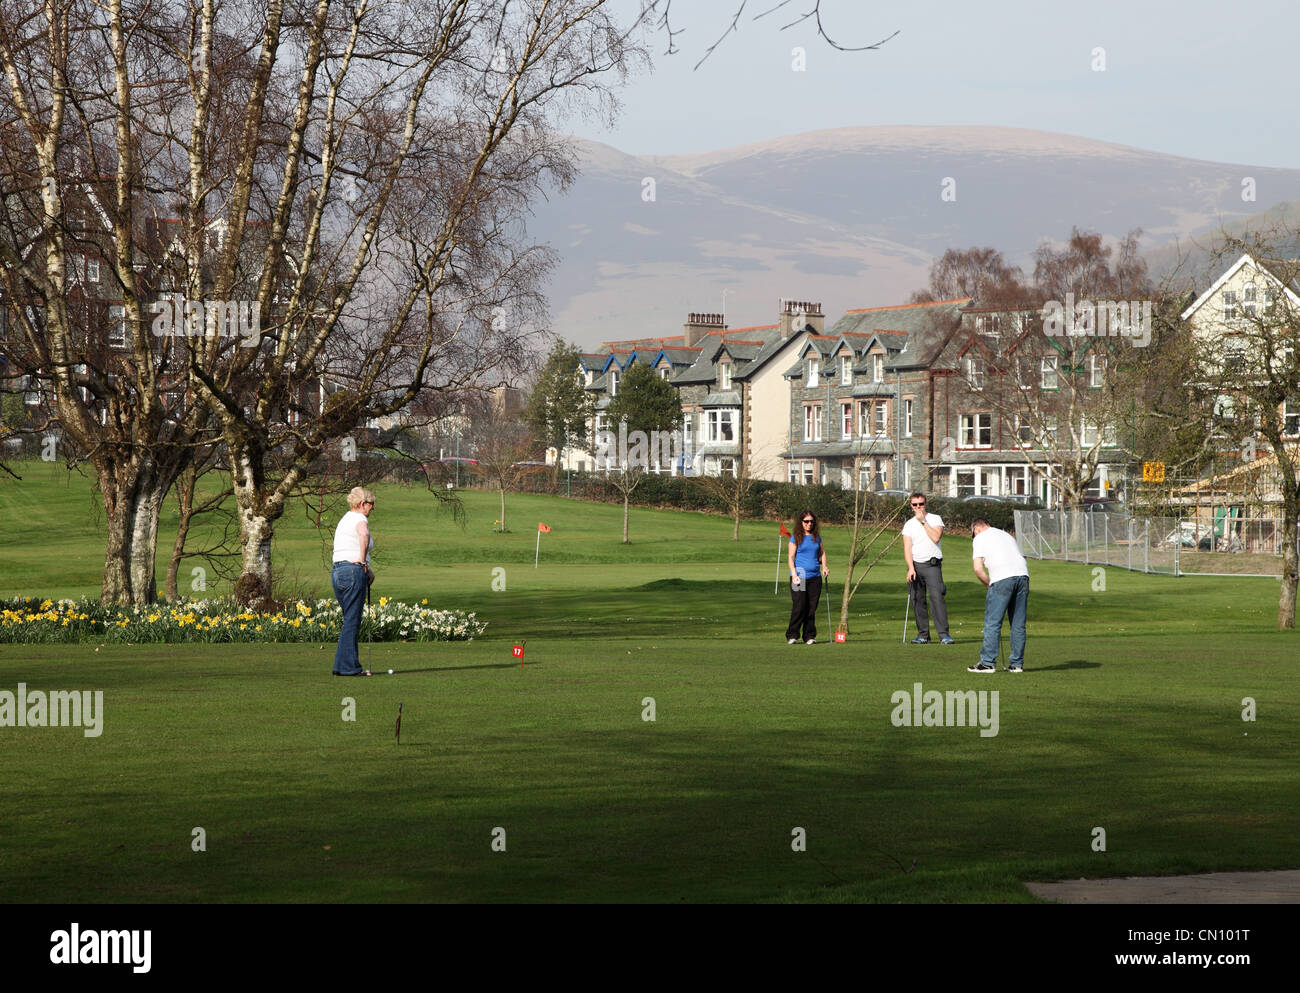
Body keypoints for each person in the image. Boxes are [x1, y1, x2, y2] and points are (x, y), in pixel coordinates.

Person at [968, 518, 1029, 674]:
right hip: (1023, 576)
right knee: (1017, 623)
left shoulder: (980, 537)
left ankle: (987, 663)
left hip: (1002, 578)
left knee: (993, 622)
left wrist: (988, 583)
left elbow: (977, 568)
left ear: (976, 529)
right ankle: (1016, 664)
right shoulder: (1006, 535)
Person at [332, 486, 376, 676]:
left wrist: (367, 566)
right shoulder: (359, 518)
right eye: (371, 504)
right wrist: (362, 560)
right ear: (362, 504)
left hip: (338, 572)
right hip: (352, 572)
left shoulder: (345, 519)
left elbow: (345, 547)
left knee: (349, 620)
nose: (372, 508)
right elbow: (364, 535)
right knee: (352, 621)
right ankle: (348, 667)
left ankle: (342, 666)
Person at [902, 492, 953, 644]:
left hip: (932, 565)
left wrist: (923, 521)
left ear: (926, 503)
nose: (918, 507)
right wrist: (910, 568)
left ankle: (944, 635)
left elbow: (936, 537)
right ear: (911, 506)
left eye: (921, 504)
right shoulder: (909, 524)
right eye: (915, 504)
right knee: (918, 600)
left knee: (937, 598)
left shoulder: (935, 518)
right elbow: (907, 548)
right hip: (916, 566)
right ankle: (923, 635)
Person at [786, 510, 829, 644]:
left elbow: (822, 553)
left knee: (811, 608)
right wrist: (794, 574)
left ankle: (809, 636)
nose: (809, 524)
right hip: (799, 575)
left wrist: (825, 567)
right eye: (806, 521)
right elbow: (791, 557)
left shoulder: (817, 537)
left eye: (811, 521)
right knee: (799, 606)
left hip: (815, 576)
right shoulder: (795, 537)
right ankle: (792, 635)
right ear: (801, 522)